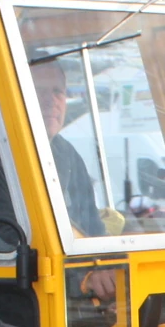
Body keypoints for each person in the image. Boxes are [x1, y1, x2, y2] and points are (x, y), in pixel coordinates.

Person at [30, 56, 105, 237]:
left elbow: (93, 230)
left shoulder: (67, 154)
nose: (51, 100)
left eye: (58, 91)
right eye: (39, 91)